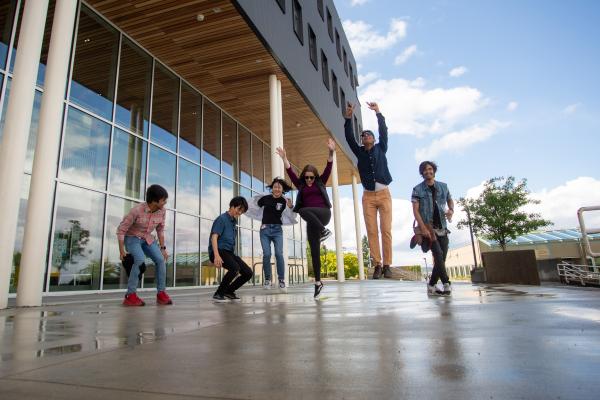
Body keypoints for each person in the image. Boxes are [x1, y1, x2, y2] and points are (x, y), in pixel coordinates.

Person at [276, 139, 335, 299]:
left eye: (311, 177)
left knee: (301, 209)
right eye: (307, 177)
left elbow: (328, 166)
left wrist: (331, 152)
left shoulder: (320, 181)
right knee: (314, 250)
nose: (309, 180)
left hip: (323, 214)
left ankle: (324, 230)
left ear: (315, 177)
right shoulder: (301, 185)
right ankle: (318, 282)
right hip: (311, 220)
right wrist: (284, 158)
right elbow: (291, 173)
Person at [344, 102, 393, 279]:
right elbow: (349, 137)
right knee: (372, 230)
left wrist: (378, 112)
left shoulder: (381, 147)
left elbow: (383, 131)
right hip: (368, 197)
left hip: (384, 194)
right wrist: (348, 117)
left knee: (386, 229)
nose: (365, 136)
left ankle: (388, 265)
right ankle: (377, 264)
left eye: (368, 134)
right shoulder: (359, 152)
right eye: (363, 135)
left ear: (373, 139)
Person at [117, 184, 172, 306]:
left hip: (147, 238)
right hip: (132, 238)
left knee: (160, 259)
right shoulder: (136, 211)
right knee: (140, 260)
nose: (165, 202)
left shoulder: (162, 211)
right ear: (154, 200)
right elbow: (121, 230)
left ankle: (161, 293)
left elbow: (160, 230)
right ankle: (130, 295)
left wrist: (163, 248)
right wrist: (121, 251)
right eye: (163, 200)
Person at [411, 161, 454, 296]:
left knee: (442, 258)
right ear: (422, 173)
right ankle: (446, 283)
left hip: (443, 227)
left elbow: (450, 200)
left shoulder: (443, 186)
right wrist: (422, 227)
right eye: (424, 170)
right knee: (438, 255)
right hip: (429, 229)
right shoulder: (417, 189)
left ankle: (431, 285)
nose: (428, 171)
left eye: (430, 169)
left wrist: (451, 210)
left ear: (434, 171)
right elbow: (415, 210)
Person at [246, 178, 295, 291]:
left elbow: (292, 216)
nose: (277, 189)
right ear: (272, 188)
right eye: (275, 186)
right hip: (265, 230)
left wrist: (291, 207)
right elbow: (254, 206)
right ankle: (267, 279)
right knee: (267, 254)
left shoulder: (284, 201)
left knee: (279, 254)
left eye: (279, 187)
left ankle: (281, 280)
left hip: (277, 230)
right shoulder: (265, 198)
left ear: (282, 189)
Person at [209, 196, 253, 302]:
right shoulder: (222, 219)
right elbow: (214, 237)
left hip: (228, 252)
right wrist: (216, 255)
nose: (239, 213)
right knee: (235, 268)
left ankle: (229, 291)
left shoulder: (233, 222)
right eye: (239, 209)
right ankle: (219, 293)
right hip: (219, 251)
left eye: (242, 211)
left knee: (248, 272)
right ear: (232, 206)